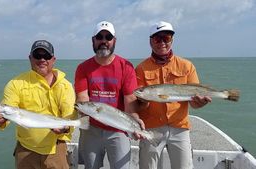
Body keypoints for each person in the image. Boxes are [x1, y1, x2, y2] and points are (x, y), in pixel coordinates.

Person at [0, 40, 76, 169]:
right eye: (37, 56)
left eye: (46, 56)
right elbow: (6, 113)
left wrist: (65, 128)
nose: (42, 59)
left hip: (57, 150)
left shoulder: (65, 86)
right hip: (26, 151)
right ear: (30, 58)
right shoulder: (15, 84)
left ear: (53, 59)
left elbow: (69, 116)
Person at [135, 21, 212, 169]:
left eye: (167, 38)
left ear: (172, 40)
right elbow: (140, 104)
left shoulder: (187, 66)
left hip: (179, 127)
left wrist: (200, 102)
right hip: (151, 127)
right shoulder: (141, 69)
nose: (162, 42)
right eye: (158, 39)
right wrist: (143, 101)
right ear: (151, 41)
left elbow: (194, 103)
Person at [74, 21, 142, 169]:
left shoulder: (126, 67)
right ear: (93, 40)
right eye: (99, 37)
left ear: (114, 41)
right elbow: (82, 99)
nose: (104, 41)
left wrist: (135, 120)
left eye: (108, 37)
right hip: (91, 128)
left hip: (118, 129)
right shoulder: (83, 68)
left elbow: (130, 101)